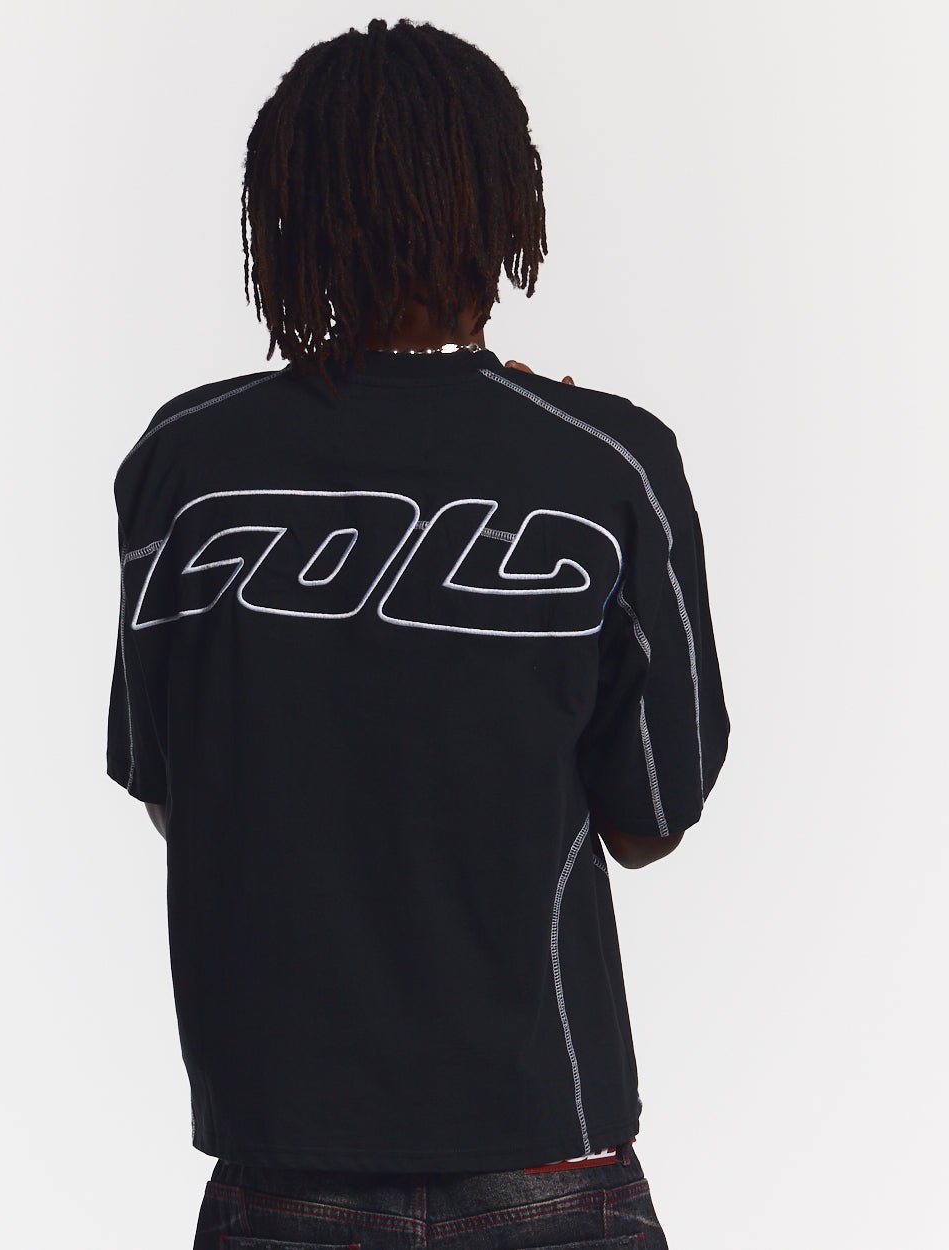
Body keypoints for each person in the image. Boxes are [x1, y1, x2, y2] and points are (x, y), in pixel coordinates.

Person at [105, 17, 730, 1249]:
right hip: (546, 1146)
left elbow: (179, 792)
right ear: (502, 208)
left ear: (289, 215)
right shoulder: (606, 461)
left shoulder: (184, 463)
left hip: (284, 1153)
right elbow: (651, 817)